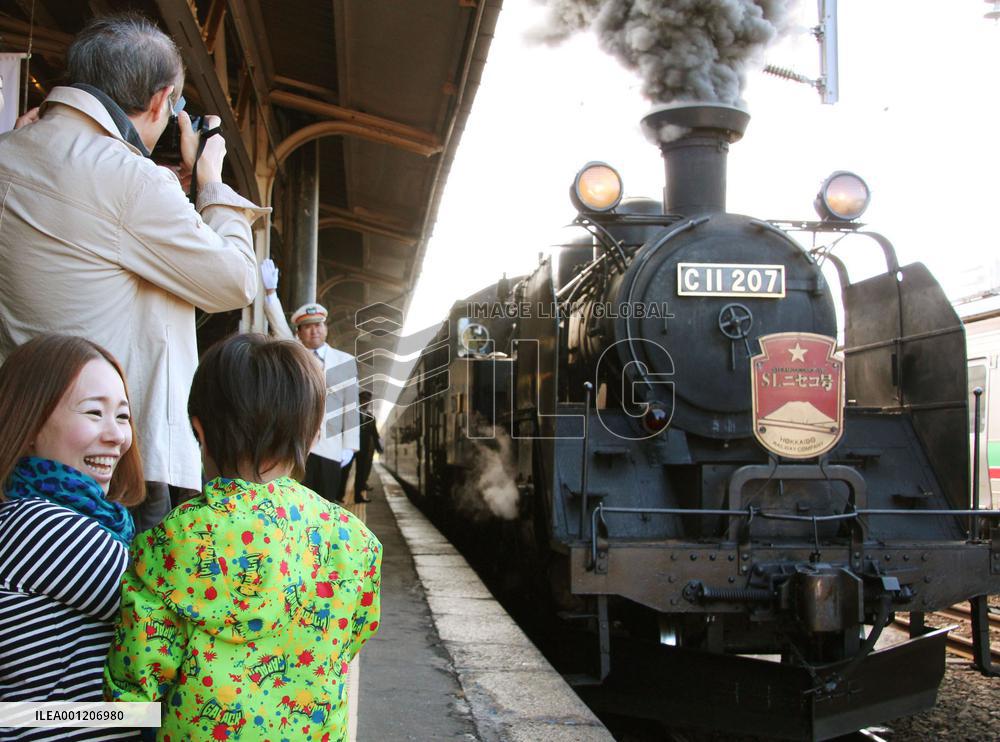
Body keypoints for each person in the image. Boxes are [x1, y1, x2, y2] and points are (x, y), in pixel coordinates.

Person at [0, 13, 267, 533]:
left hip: (19, 441)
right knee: (117, 608)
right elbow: (236, 280)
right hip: (117, 461)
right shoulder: (133, 180)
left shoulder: (10, 152)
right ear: (161, 100)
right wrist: (211, 186)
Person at [104, 333, 381, 741]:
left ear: (200, 432)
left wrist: (35, 716)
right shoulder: (356, 542)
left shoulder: (172, 542)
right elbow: (353, 635)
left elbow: (134, 689)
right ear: (315, 434)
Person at [0, 335, 144, 740]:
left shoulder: (92, 523)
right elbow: (176, 604)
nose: (116, 436)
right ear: (29, 423)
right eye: (94, 412)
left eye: (122, 416)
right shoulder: (36, 525)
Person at [260, 259, 360, 503]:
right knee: (294, 507)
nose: (314, 330)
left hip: (331, 449)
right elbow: (278, 326)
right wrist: (271, 293)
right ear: (299, 332)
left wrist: (351, 446)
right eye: (307, 327)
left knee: (325, 507)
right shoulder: (295, 353)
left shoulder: (344, 360)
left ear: (325, 328)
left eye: (318, 325)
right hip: (296, 448)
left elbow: (351, 405)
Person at [352, 390, 383, 503]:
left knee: (361, 473)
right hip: (351, 448)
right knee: (344, 471)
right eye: (363, 400)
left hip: (364, 449)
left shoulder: (371, 417)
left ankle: (358, 496)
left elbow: (375, 434)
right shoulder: (352, 414)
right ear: (359, 400)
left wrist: (379, 447)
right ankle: (339, 494)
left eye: (367, 401)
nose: (365, 402)